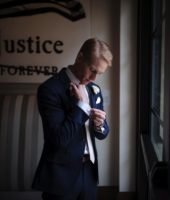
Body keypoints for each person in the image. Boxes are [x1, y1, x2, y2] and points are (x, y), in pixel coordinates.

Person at [32, 38, 113, 200]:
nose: (94, 78)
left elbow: (102, 134)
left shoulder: (94, 89)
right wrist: (82, 106)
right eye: (92, 69)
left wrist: (99, 125)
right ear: (79, 57)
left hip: (90, 172)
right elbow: (59, 138)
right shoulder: (49, 89)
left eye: (100, 73)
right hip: (60, 176)